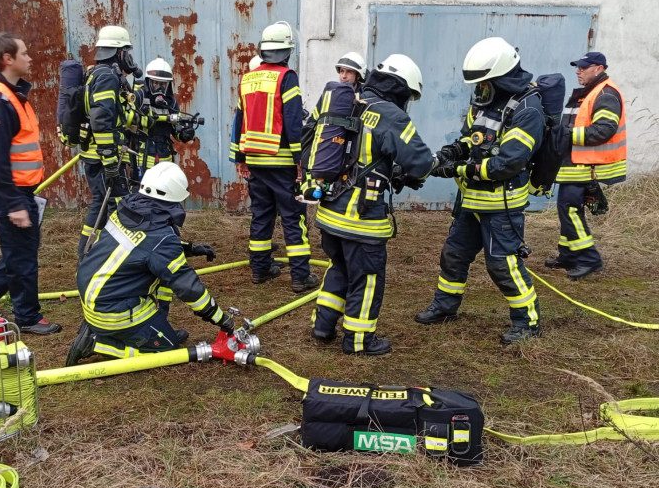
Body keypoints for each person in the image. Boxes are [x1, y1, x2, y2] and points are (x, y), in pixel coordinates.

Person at [418, 37, 543, 345]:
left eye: (486, 82)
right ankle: (445, 307)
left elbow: (507, 163)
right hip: (471, 201)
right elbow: (470, 139)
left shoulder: (528, 108)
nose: (481, 88)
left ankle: (527, 322)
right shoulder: (485, 98)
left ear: (501, 76)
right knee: (454, 255)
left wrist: (460, 169)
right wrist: (450, 153)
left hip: (502, 205)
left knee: (502, 264)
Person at [310, 54, 436, 356]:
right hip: (360, 219)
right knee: (367, 279)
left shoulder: (350, 101)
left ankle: (322, 324)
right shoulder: (391, 115)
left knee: (338, 267)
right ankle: (359, 340)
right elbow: (419, 163)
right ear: (399, 88)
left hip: (329, 212)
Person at [67, 162, 230, 364]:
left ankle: (156, 325)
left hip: (95, 295)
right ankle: (96, 343)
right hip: (111, 311)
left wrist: (189, 248)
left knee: (163, 278)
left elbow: (143, 248)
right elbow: (188, 286)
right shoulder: (160, 238)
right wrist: (221, 319)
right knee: (168, 351)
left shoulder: (128, 209)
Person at [0, 32, 62, 335]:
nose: (30, 58)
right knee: (22, 253)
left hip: (16, 189)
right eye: (24, 53)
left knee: (23, 248)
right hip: (4, 190)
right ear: (8, 59)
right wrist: (14, 204)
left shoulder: (12, 95)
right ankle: (27, 316)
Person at [230, 21, 318, 293]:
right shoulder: (286, 77)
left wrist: (240, 158)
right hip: (281, 162)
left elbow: (239, 121)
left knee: (261, 215)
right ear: (287, 51)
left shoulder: (248, 78)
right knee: (293, 217)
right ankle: (301, 277)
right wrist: (299, 160)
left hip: (255, 160)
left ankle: (260, 269)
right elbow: (293, 120)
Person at [545, 52, 626, 280]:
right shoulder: (588, 93)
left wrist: (567, 134)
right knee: (567, 209)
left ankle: (589, 259)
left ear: (598, 69)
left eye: (583, 67)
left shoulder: (605, 93)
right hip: (575, 166)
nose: (578, 71)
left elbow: (603, 130)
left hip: (587, 166)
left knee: (569, 210)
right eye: (577, 67)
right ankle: (568, 255)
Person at [77, 25, 143, 258]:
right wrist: (110, 160)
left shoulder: (98, 73)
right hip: (104, 157)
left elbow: (114, 115)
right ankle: (90, 255)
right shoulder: (106, 77)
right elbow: (101, 120)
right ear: (119, 53)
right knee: (111, 204)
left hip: (100, 155)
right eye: (127, 52)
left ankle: (97, 254)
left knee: (105, 205)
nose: (129, 58)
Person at [133, 57, 195, 175]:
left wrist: (183, 134)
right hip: (142, 156)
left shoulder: (171, 103)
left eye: (163, 84)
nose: (160, 88)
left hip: (165, 157)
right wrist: (141, 120)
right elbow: (126, 122)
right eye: (156, 83)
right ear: (148, 82)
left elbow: (175, 128)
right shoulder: (139, 97)